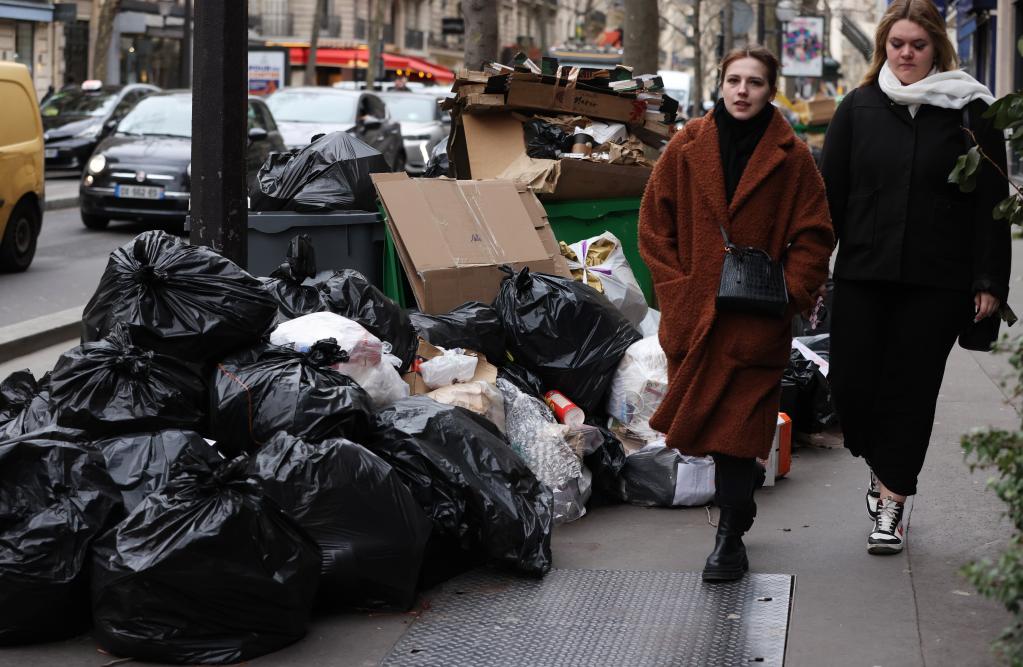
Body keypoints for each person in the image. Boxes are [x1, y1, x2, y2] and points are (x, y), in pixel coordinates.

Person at [819, 0, 1009, 555]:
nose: (906, 54)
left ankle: (893, 500)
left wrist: (990, 280)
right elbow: (828, 197)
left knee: (912, 391)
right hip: (862, 274)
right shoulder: (857, 108)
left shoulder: (972, 112)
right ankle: (883, 468)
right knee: (852, 386)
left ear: (937, 49)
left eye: (918, 45)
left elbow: (992, 204)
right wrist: (809, 270)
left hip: (937, 280)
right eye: (898, 44)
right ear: (884, 46)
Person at [639, 46, 834, 581]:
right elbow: (655, 225)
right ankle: (739, 506)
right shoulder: (687, 146)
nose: (742, 90)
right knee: (709, 433)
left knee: (737, 431)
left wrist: (789, 294)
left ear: (771, 89)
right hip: (697, 318)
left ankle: (729, 538)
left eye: (754, 82)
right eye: (733, 80)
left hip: (756, 321)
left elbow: (815, 234)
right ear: (720, 84)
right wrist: (677, 291)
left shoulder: (791, 157)